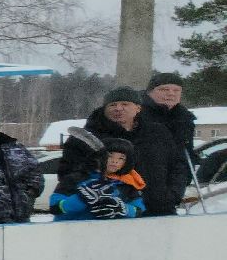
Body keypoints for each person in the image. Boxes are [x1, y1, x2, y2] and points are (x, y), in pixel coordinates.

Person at [55, 88, 181, 218]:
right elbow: (67, 172)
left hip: (160, 209)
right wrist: (91, 191)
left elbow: (178, 166)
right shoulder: (82, 139)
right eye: (112, 105)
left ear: (138, 108)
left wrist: (172, 195)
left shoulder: (158, 133)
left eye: (125, 104)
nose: (118, 108)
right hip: (102, 215)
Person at [139, 72, 198, 214]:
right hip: (137, 190)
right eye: (164, 89)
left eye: (176, 90)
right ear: (150, 92)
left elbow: (186, 156)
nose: (171, 94)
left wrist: (178, 188)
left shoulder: (184, 119)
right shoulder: (137, 114)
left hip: (169, 192)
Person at [50, 137, 146, 220]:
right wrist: (81, 199)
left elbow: (139, 211)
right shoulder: (75, 178)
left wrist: (123, 208)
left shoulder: (128, 183)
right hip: (73, 230)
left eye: (121, 158)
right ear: (99, 156)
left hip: (112, 232)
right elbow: (55, 208)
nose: (115, 161)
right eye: (110, 155)